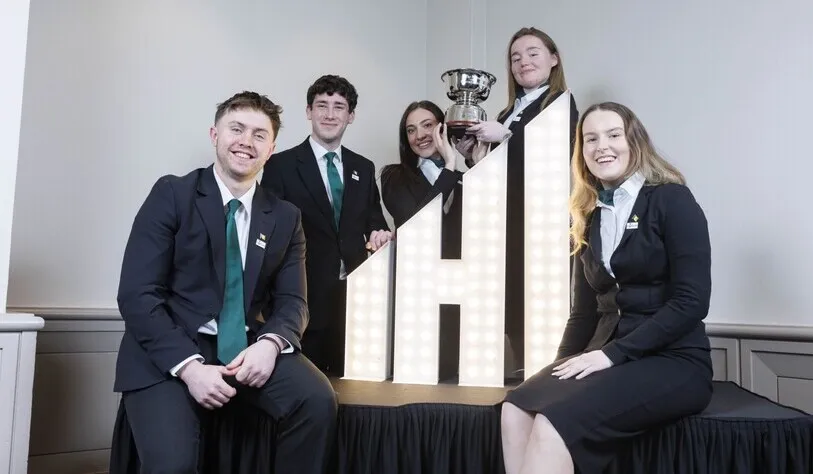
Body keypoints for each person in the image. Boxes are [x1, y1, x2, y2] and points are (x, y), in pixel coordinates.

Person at [113, 91, 337, 473]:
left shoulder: (285, 216)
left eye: (259, 135)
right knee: (175, 465)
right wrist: (189, 367)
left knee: (317, 400)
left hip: (244, 347)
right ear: (215, 135)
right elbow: (137, 295)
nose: (246, 142)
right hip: (169, 350)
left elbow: (293, 303)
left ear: (271, 149)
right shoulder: (172, 194)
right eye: (237, 129)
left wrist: (270, 344)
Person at [499, 102, 714, 474]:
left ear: (634, 142)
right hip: (608, 355)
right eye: (591, 139)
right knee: (515, 408)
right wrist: (557, 368)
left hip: (673, 360)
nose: (602, 147)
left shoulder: (672, 200)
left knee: (553, 425)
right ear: (581, 153)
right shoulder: (588, 215)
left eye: (613, 135)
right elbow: (584, 312)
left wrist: (613, 354)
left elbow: (692, 302)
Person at [457, 27, 579, 374]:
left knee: (538, 302)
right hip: (507, 222)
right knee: (511, 298)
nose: (523, 61)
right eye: (515, 57)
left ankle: (542, 378)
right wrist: (472, 156)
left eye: (533, 53)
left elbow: (554, 151)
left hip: (541, 224)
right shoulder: (505, 111)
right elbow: (500, 170)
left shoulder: (560, 102)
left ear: (554, 59)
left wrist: (508, 135)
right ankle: (524, 372)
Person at [261, 74, 392, 377]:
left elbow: (374, 221)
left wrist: (380, 233)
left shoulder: (363, 167)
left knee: (357, 396)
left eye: (339, 107)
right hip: (303, 303)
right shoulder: (280, 166)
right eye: (322, 105)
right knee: (313, 397)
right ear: (309, 111)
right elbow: (269, 236)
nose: (330, 114)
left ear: (351, 116)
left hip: (356, 305)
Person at [380, 100, 485, 379]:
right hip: (417, 293)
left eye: (428, 125)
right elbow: (419, 223)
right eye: (411, 130)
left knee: (460, 377)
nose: (420, 135)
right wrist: (450, 166)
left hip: (462, 293)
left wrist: (472, 161)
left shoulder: (466, 178)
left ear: (443, 127)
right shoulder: (393, 176)